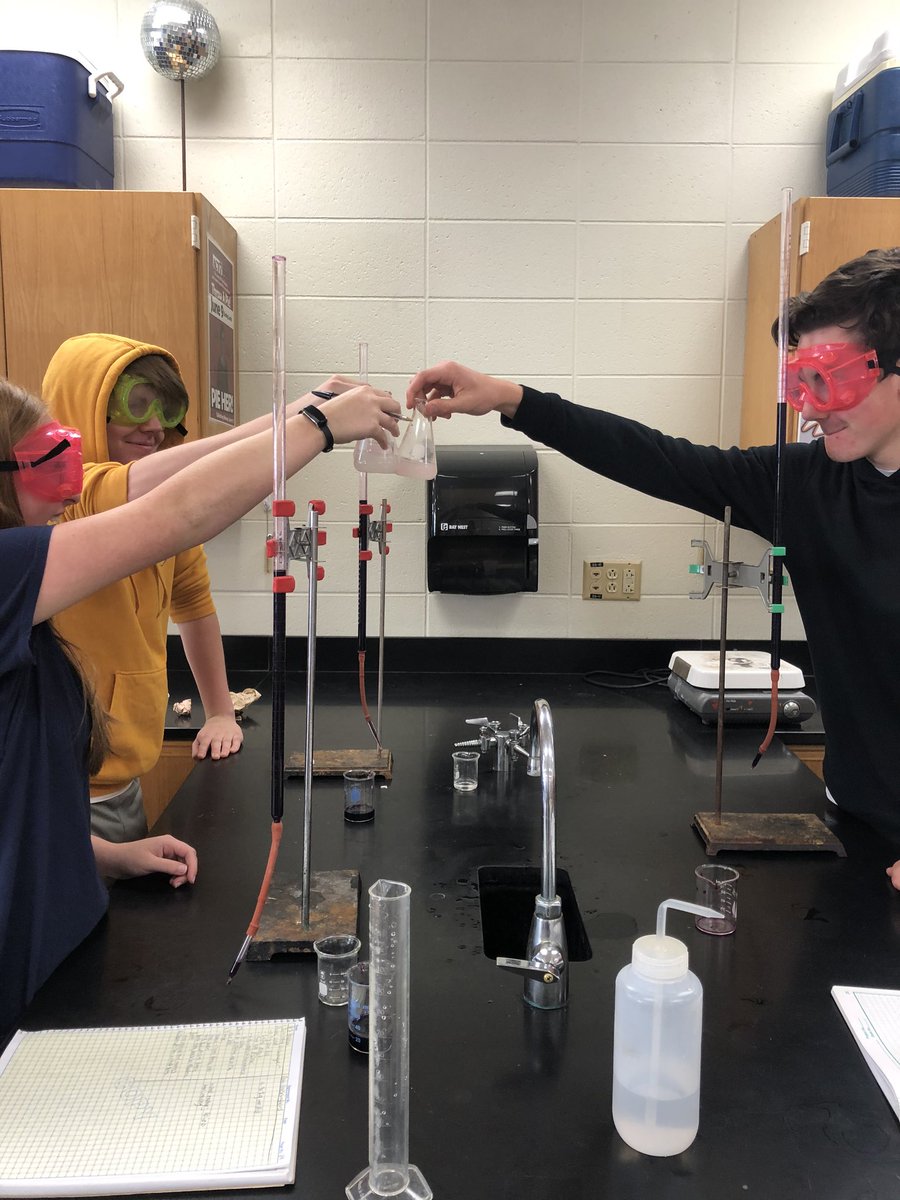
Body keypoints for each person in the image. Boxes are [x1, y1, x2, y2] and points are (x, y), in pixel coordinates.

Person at [406, 247, 900, 888]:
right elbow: (662, 460)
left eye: (827, 380)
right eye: (798, 384)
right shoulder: (807, 484)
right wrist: (512, 399)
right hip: (852, 815)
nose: (807, 408)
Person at [0, 373, 399, 1039]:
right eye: (44, 463)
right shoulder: (10, 572)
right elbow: (176, 511)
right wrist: (321, 429)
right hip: (20, 972)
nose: (66, 487)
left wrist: (100, 854)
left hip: (63, 943)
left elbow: (18, 800)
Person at [41, 334, 243, 841]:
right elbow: (128, 494)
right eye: (134, 404)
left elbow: (193, 604)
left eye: (165, 407)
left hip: (123, 778)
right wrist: (304, 422)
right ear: (85, 405)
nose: (153, 425)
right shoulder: (64, 497)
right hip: (60, 791)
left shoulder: (162, 514)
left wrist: (220, 712)